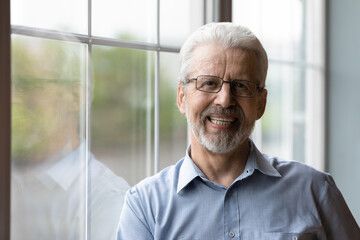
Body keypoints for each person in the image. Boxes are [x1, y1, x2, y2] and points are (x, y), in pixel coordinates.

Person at [117, 22, 360, 239]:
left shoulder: (315, 190)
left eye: (241, 85)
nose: (224, 99)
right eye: (209, 83)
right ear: (182, 98)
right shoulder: (145, 207)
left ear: (261, 103)